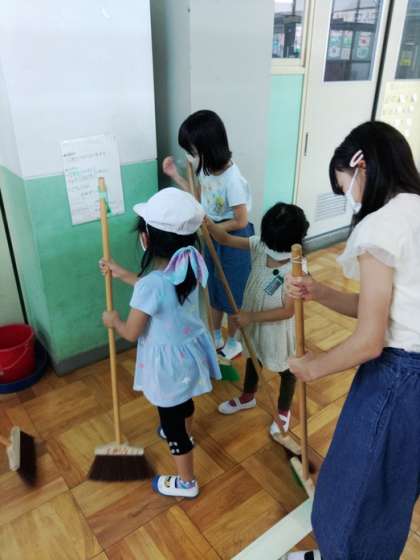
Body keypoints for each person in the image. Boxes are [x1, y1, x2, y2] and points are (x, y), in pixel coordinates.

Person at [283, 121, 420, 560]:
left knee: (353, 489)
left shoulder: (382, 227)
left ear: (363, 169)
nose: (351, 199)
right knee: (391, 489)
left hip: (400, 379)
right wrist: (319, 292)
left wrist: (313, 367)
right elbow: (388, 307)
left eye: (346, 188)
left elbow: (370, 341)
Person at [101, 187, 221, 498]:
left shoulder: (153, 284)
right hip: (188, 356)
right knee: (184, 403)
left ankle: (186, 482)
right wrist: (122, 274)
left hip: (168, 368)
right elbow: (157, 290)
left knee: (172, 421)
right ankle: (184, 432)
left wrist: (114, 321)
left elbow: (131, 332)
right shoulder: (188, 264)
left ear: (146, 238)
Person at [207, 202, 309, 436]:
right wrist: (209, 224)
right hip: (253, 322)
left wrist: (250, 316)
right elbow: (225, 239)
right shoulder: (261, 246)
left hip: (277, 330)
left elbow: (288, 311)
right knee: (254, 357)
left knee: (286, 369)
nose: (266, 244)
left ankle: (283, 411)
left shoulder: (296, 270)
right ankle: (248, 396)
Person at [162, 109, 253, 360]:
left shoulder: (233, 180)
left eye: (193, 151)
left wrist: (212, 228)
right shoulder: (205, 170)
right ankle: (215, 336)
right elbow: (198, 198)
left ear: (208, 147)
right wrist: (175, 176)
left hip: (234, 238)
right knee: (213, 288)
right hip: (212, 234)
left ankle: (233, 341)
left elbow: (241, 220)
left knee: (233, 292)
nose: (191, 156)